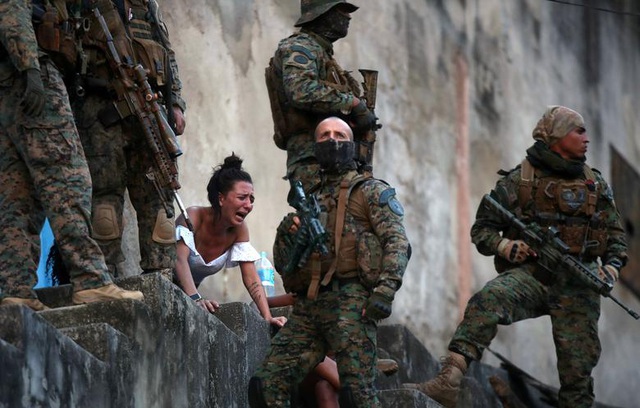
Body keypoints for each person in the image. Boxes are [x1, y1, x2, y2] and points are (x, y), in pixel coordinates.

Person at [406, 106, 628, 408]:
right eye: (579, 131)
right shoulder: (520, 180)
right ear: (558, 136)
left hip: (579, 284)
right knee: (488, 300)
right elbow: (482, 229)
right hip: (535, 275)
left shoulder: (595, 184)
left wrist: (611, 269)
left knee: (578, 371)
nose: (586, 138)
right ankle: (449, 381)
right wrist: (505, 246)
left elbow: (616, 237)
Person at [249, 117, 411, 407]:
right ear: (315, 146)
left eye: (339, 135)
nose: (332, 140)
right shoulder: (310, 198)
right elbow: (287, 268)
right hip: (309, 306)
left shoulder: (370, 191)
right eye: (324, 135)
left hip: (353, 302)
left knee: (356, 396)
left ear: (352, 146)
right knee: (265, 386)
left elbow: (397, 242)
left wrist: (385, 291)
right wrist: (289, 234)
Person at [0, 0, 143, 311]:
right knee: (68, 181)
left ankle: (16, 291)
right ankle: (91, 280)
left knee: (18, 196)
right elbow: (11, 8)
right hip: (33, 73)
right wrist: (30, 67)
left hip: (9, 82)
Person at [69, 0, 187, 277]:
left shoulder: (147, 5)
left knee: (159, 197)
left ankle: (161, 274)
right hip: (100, 111)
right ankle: (103, 276)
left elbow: (167, 55)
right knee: (104, 196)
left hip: (148, 107)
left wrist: (176, 103)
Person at [265, 0, 377, 192]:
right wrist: (353, 103)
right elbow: (300, 90)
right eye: (341, 10)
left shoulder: (321, 52)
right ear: (323, 14)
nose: (348, 17)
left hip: (333, 160)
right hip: (314, 161)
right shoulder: (300, 47)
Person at [174, 154, 286, 328]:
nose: (249, 205)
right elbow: (179, 258)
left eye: (251, 199)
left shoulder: (239, 230)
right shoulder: (194, 216)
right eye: (242, 198)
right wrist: (196, 298)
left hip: (188, 295)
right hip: (171, 287)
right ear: (221, 198)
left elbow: (251, 276)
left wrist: (267, 317)